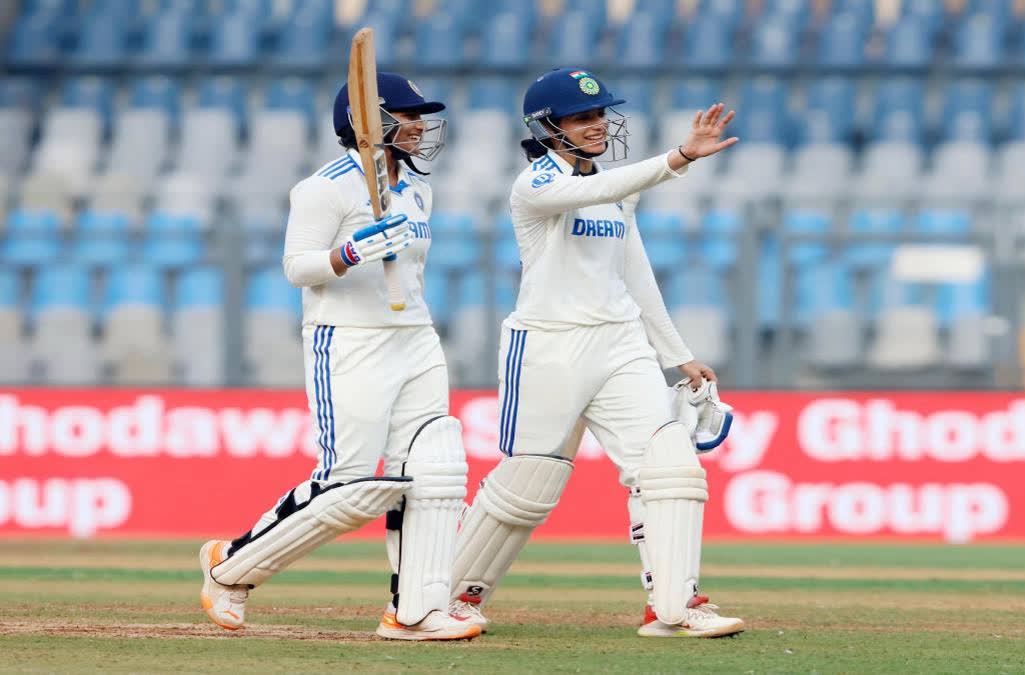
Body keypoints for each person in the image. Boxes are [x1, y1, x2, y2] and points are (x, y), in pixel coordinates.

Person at [447, 68, 746, 638]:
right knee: (528, 482)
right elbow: (595, 189)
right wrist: (678, 157)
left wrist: (677, 355)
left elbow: (634, 271)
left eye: (600, 115)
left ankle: (674, 606)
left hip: (621, 343)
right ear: (547, 126)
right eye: (582, 117)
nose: (597, 125)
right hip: (549, 345)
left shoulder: (617, 190)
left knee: (668, 467)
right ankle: (450, 596)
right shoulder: (534, 184)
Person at [198, 73, 479, 641]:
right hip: (348, 339)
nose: (421, 125)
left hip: (416, 337)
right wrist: (349, 252)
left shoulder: (419, 190)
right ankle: (230, 568)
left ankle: (415, 611)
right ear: (370, 124)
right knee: (349, 488)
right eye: (408, 114)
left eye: (422, 113)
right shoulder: (324, 188)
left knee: (435, 469)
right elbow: (296, 267)